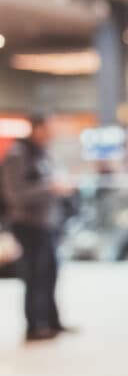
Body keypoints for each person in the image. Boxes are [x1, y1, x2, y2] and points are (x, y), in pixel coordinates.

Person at [1, 114, 74, 341]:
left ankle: (51, 321)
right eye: (48, 128)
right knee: (34, 275)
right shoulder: (18, 154)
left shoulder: (41, 152)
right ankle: (34, 326)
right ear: (37, 128)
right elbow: (15, 194)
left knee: (50, 273)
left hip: (47, 224)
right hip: (27, 224)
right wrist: (50, 188)